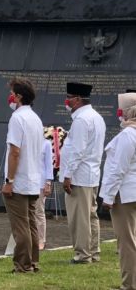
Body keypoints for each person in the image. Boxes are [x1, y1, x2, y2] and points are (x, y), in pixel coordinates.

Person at [60, 82, 105, 264]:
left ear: (78, 99)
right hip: (91, 174)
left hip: (79, 176)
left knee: (80, 219)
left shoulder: (81, 120)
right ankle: (93, 252)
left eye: (70, 98)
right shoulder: (96, 117)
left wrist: (67, 175)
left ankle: (82, 254)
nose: (67, 101)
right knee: (91, 216)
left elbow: (77, 151)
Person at [2, 78, 43, 273]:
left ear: (18, 96)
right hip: (33, 179)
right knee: (31, 224)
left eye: (12, 93)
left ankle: (23, 265)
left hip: (19, 180)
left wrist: (9, 181)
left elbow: (15, 152)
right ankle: (33, 262)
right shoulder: (35, 118)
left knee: (20, 226)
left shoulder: (17, 118)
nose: (9, 97)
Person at [100, 92, 136, 290]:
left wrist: (109, 196)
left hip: (125, 195)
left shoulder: (128, 135)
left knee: (127, 243)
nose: (118, 112)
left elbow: (118, 169)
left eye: (121, 108)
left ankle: (129, 284)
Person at [36, 138, 54, 250]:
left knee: (39, 211)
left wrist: (48, 182)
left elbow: (49, 164)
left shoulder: (46, 143)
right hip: (27, 183)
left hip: (40, 183)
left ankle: (41, 240)